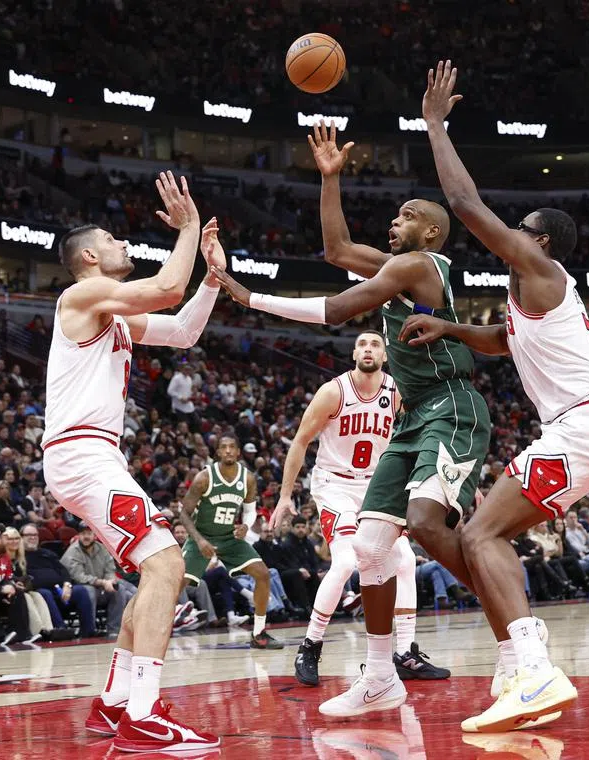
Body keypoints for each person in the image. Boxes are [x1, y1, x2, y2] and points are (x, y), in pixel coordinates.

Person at [211, 120, 491, 721]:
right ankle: (382, 674)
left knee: (425, 530)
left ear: (431, 231)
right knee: (369, 547)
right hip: (412, 418)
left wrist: (250, 296)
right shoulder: (395, 270)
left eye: (406, 215)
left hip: (450, 405)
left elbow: (337, 309)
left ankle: (518, 637)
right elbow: (336, 251)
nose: (394, 220)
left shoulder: (420, 266)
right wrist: (330, 179)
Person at [398, 60, 589, 733]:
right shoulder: (533, 297)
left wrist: (435, 126)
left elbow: (466, 205)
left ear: (540, 241)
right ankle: (519, 664)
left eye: (521, 228)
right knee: (478, 539)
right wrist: (450, 329)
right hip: (588, 428)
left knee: (480, 533)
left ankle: (532, 667)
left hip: (583, 426)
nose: (513, 235)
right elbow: (504, 340)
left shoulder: (542, 268)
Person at [44, 172, 223, 752]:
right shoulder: (80, 296)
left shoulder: (111, 313)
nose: (123, 243)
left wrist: (213, 278)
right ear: (90, 256)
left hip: (90, 456)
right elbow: (168, 288)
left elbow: (183, 329)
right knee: (168, 565)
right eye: (113, 240)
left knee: (154, 570)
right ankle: (144, 715)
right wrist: (189, 228)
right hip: (83, 454)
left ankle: (117, 701)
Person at [278, 333, 448, 686]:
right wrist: (284, 496)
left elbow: (420, 437)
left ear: (385, 356)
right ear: (354, 353)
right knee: (344, 562)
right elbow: (301, 441)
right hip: (335, 484)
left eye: (375, 344)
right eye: (362, 344)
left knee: (404, 560)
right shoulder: (333, 392)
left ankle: (406, 653)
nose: (368, 349)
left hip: (376, 486)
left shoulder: (396, 392)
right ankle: (310, 644)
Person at [179, 435, 281, 649]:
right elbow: (184, 514)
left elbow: (250, 511)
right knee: (176, 584)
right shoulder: (204, 478)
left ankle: (259, 633)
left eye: (232, 447)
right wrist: (199, 541)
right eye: (223, 447)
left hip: (229, 537)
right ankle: (152, 628)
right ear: (217, 452)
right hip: (202, 538)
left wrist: (245, 525)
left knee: (263, 574)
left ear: (238, 452)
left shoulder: (248, 478)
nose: (227, 451)